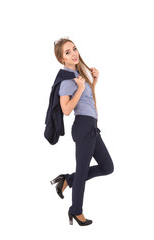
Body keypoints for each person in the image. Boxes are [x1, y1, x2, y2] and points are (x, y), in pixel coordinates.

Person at [50, 37, 114, 226]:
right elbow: (66, 110)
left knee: (107, 167)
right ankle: (76, 211)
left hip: (92, 127)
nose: (74, 53)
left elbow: (87, 99)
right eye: (68, 52)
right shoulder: (67, 81)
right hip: (83, 127)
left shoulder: (77, 75)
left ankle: (67, 180)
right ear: (62, 59)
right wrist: (79, 88)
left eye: (74, 49)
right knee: (83, 171)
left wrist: (93, 81)